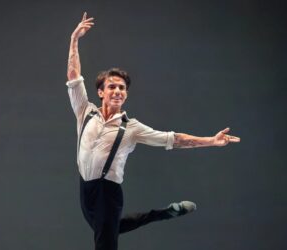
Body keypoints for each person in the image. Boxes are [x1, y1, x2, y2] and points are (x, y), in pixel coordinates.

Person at [66, 12, 241, 250]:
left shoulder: (132, 128)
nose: (118, 91)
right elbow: (74, 76)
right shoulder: (84, 111)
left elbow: (173, 139)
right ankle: (163, 214)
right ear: (101, 92)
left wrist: (210, 140)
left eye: (122, 88)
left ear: (126, 94)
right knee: (108, 228)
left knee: (105, 242)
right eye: (112, 86)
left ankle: (159, 215)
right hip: (85, 189)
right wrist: (75, 39)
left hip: (108, 193)